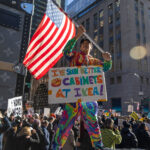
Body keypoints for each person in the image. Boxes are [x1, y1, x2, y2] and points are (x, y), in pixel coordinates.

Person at [53, 25, 112, 150]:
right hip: (73, 98)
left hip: (89, 98)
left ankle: (98, 146)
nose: (86, 46)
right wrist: (77, 36)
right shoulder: (74, 55)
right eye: (83, 44)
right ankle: (56, 146)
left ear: (91, 47)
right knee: (65, 123)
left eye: (88, 45)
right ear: (80, 46)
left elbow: (106, 67)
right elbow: (65, 51)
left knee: (93, 123)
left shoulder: (94, 61)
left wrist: (108, 60)